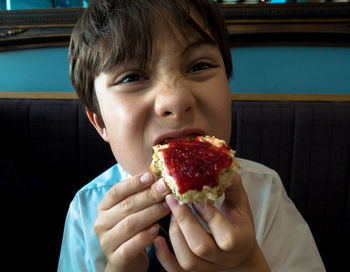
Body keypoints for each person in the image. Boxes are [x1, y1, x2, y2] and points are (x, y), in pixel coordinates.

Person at [58, 0, 325, 271]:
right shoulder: (85, 211)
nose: (175, 99)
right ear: (100, 122)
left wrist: (250, 264)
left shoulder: (265, 194)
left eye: (198, 67)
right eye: (132, 78)